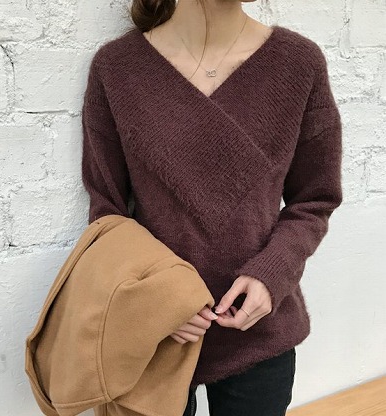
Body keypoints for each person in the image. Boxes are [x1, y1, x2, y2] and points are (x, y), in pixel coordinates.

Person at [81, 0, 343, 415]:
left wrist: (272, 273)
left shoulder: (298, 64)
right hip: (155, 336)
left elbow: (315, 199)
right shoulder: (117, 69)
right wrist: (160, 298)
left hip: (259, 330)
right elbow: (107, 215)